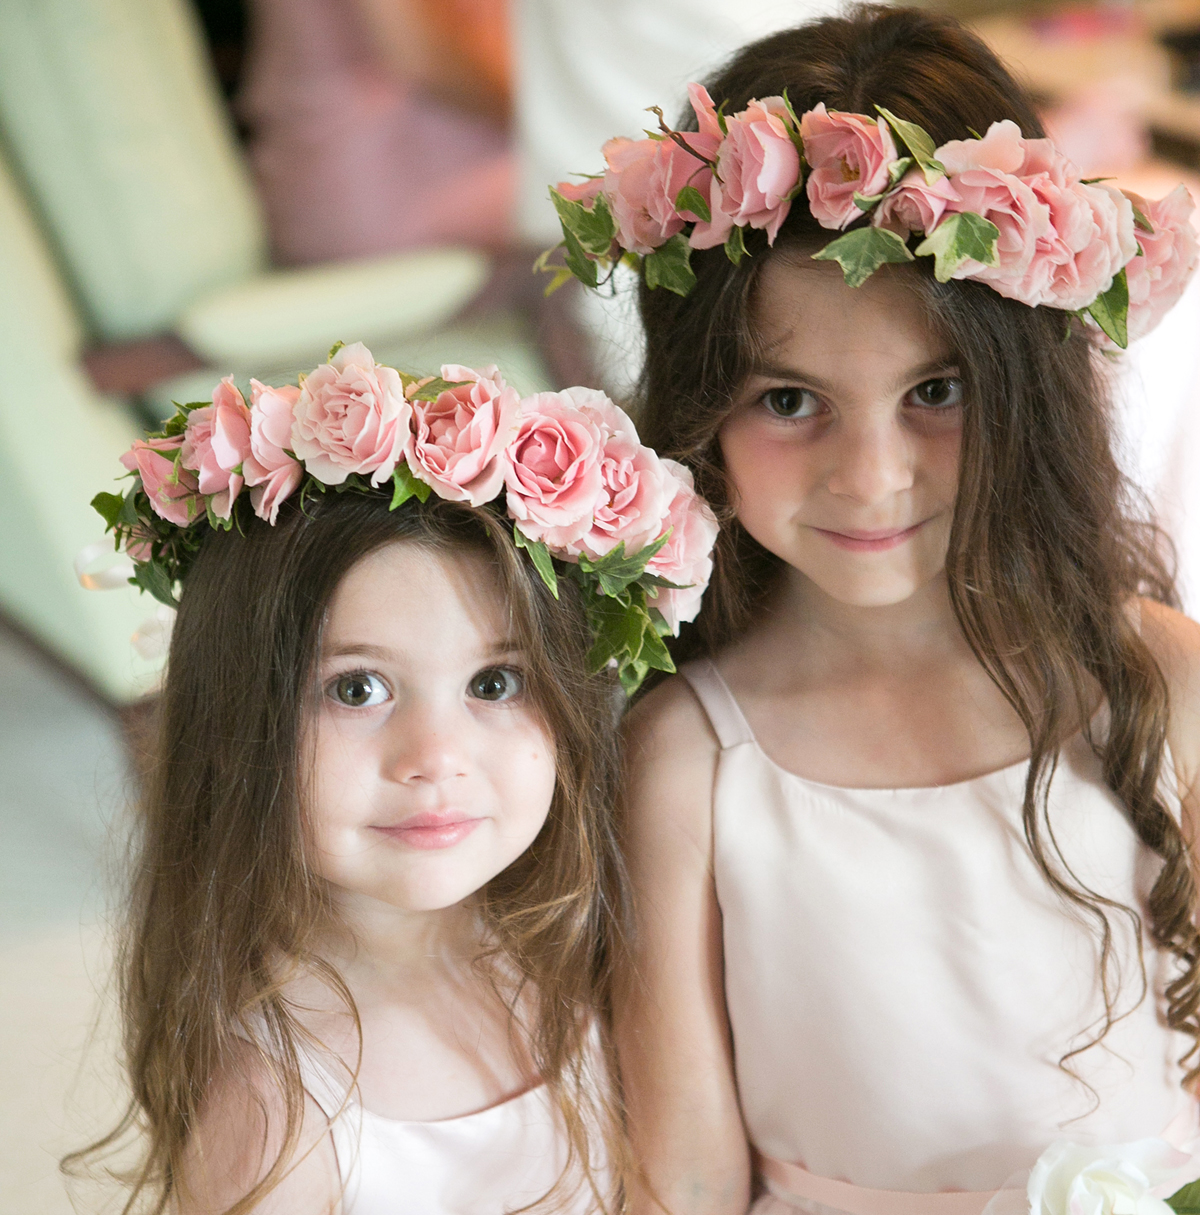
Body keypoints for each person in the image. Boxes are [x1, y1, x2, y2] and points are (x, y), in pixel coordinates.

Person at [543, 6, 1200, 1213]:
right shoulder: (684, 757)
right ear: (701, 408)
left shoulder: (1161, 680)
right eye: (790, 401)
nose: (872, 476)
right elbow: (685, 1171)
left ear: (1031, 385)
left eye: (935, 390)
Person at [71, 344, 717, 1213]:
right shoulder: (274, 1109)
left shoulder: (574, 941)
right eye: (357, 688)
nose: (435, 755)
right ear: (237, 717)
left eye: (495, 682)